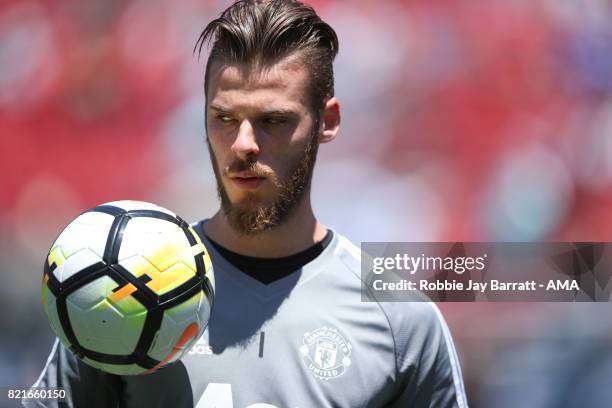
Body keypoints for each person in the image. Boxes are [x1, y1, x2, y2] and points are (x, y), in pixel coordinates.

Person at [26, 0, 467, 407]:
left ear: (327, 122)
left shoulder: (400, 321)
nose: (243, 144)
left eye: (273, 120)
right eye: (224, 119)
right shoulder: (118, 289)